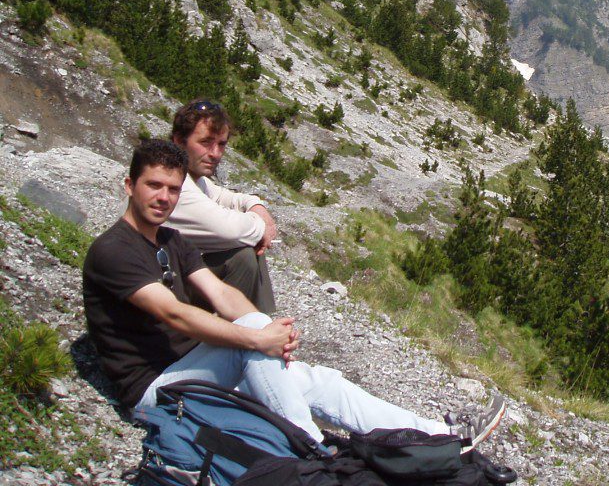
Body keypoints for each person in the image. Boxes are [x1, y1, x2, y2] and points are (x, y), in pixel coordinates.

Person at [82, 139, 505, 449]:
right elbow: (174, 314)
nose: (164, 198)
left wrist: (269, 331)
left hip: (196, 371)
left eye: (173, 189)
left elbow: (221, 294)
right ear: (129, 186)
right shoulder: (113, 250)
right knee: (251, 339)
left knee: (317, 380)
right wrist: (256, 337)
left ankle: (438, 436)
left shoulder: (171, 239)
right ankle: (312, 455)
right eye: (154, 186)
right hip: (155, 393)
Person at [166, 99, 276, 313]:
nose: (215, 153)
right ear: (180, 141)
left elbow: (227, 197)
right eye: (206, 142)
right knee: (242, 252)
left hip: (173, 276)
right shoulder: (172, 182)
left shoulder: (192, 176)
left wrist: (256, 206)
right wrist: (263, 227)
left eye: (221, 144)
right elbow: (228, 230)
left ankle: (255, 326)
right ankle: (248, 331)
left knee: (245, 248)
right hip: (158, 291)